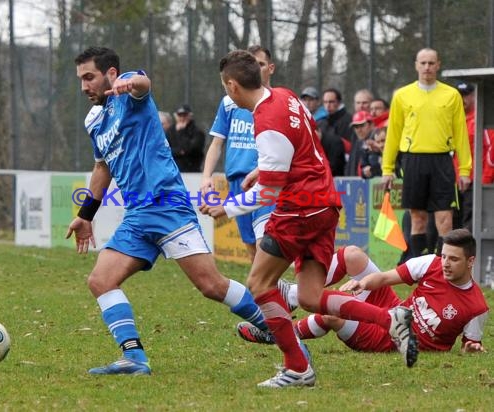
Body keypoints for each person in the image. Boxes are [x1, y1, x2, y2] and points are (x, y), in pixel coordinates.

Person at [202, 50, 416, 388]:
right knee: (311, 297)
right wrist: (265, 169)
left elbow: (269, 195)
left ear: (232, 86)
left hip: (298, 209)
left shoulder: (266, 121)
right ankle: (390, 318)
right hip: (325, 203)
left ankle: (297, 367)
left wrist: (225, 208)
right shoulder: (285, 96)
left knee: (259, 285)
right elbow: (305, 143)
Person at [68, 46, 270, 376]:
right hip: (136, 216)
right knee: (101, 280)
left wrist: (131, 82)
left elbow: (143, 82)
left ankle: (276, 328)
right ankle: (134, 358)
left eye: (89, 77)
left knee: (212, 286)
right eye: (80, 79)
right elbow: (102, 167)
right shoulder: (93, 119)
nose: (84, 86)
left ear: (111, 75)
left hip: (166, 207)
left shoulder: (132, 97)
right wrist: (85, 214)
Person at [239, 229, 488, 354]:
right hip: (392, 310)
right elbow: (385, 278)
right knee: (354, 256)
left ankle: (277, 334)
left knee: (331, 314)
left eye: (453, 259)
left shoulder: (476, 306)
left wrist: (472, 348)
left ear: (470, 261)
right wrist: (363, 283)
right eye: (444, 256)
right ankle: (294, 294)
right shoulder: (431, 263)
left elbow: (471, 345)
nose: (445, 263)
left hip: (392, 340)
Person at [382, 48, 472, 257]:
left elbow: (461, 134)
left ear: (438, 65)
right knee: (418, 218)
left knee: (445, 219)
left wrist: (465, 169)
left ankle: (442, 267)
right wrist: (387, 168)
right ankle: (417, 267)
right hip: (413, 160)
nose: (427, 67)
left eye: (431, 63)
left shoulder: (451, 95)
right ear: (416, 65)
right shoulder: (402, 95)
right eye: (423, 63)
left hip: (441, 160)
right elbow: (393, 134)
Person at [201, 45, 277, 262]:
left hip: (264, 181)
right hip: (236, 182)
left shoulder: (276, 101)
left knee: (265, 245)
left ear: (270, 68)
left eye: (260, 64)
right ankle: (265, 294)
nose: (254, 69)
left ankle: (275, 291)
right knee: (252, 249)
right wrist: (207, 176)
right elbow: (217, 144)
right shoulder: (229, 103)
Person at [453, 81, 494, 231]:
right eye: (459, 95)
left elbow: (491, 151)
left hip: (473, 182)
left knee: (470, 225)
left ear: (473, 95)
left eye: (466, 95)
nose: (462, 99)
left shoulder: (481, 118)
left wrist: (484, 180)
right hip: (453, 183)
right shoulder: (452, 120)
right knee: (453, 224)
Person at [166, 104, 206, 172]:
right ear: (175, 116)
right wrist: (180, 151)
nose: (182, 118)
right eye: (180, 115)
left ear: (190, 116)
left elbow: (193, 149)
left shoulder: (197, 132)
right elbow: (166, 150)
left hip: (192, 170)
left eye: (185, 115)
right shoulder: (170, 131)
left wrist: (182, 131)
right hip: (173, 170)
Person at [346, 111, 375, 177]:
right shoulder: (358, 143)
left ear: (371, 125)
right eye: (356, 127)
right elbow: (352, 167)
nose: (359, 130)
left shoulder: (379, 141)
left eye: (362, 125)